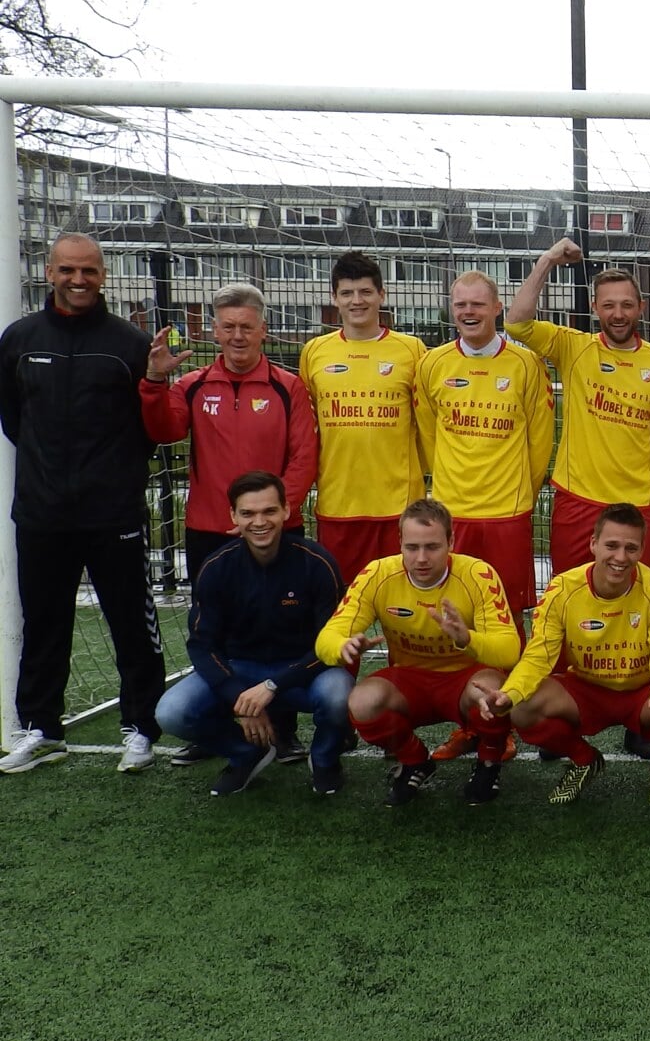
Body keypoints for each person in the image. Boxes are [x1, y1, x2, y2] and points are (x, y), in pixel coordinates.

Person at [0, 233, 167, 774]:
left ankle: (140, 728)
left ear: (103, 276)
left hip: (113, 513)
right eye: (68, 270)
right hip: (42, 514)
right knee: (44, 624)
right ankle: (41, 728)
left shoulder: (130, 344)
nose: (79, 280)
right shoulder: (19, 339)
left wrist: (108, 477)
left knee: (131, 625)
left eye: (89, 271)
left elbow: (149, 430)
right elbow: (13, 421)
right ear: (49, 273)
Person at [414, 270, 553, 761]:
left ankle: (505, 718)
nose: (468, 312)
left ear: (497, 309)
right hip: (455, 513)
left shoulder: (525, 363)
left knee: (509, 619)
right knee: (457, 617)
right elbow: (429, 437)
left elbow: (540, 438)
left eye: (477, 304)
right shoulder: (432, 365)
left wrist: (523, 492)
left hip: (507, 512)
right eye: (460, 305)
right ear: (451, 310)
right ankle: (469, 723)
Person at [479, 504, 650, 807]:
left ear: (643, 549)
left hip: (641, 694)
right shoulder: (562, 589)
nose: (621, 557)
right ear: (593, 544)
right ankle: (584, 760)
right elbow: (538, 656)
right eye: (611, 545)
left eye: (631, 548)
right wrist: (510, 693)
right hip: (586, 692)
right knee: (521, 707)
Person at [154, 472, 351, 796]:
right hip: (240, 668)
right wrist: (239, 698)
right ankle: (246, 753)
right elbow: (203, 645)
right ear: (233, 516)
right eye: (248, 513)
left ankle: (325, 759)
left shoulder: (318, 564)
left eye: (269, 511)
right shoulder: (217, 567)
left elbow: (326, 647)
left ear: (286, 510)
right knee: (171, 712)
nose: (259, 522)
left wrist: (272, 686)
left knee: (339, 694)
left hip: (302, 672)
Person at [317, 499, 522, 806]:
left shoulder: (477, 574)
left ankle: (489, 761)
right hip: (409, 681)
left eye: (433, 547)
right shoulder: (377, 574)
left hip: (466, 681)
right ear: (399, 542)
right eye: (412, 547)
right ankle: (415, 761)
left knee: (496, 691)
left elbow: (509, 650)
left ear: (451, 542)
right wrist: (342, 646)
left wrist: (468, 639)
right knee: (362, 701)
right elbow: (326, 639)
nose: (421, 558)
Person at [504, 238, 650, 576]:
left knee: (634, 606)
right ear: (595, 308)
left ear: (642, 306)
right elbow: (516, 323)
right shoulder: (574, 348)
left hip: (638, 504)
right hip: (578, 500)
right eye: (609, 305)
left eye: (627, 305)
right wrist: (547, 261)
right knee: (567, 598)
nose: (618, 314)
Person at [141, 282, 317, 583]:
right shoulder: (192, 385)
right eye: (229, 327)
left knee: (281, 623)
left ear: (263, 329)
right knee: (212, 625)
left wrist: (268, 514)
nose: (238, 336)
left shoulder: (289, 387)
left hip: (275, 529)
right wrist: (156, 380)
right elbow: (164, 432)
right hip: (210, 530)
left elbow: (305, 457)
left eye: (247, 327)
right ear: (215, 329)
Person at [299, 252, 429, 583]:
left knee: (403, 608)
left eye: (366, 292)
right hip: (339, 502)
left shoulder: (413, 350)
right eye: (347, 293)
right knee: (342, 608)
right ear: (334, 298)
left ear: (381, 295)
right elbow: (306, 426)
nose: (357, 301)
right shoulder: (314, 352)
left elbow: (428, 425)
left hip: (399, 506)